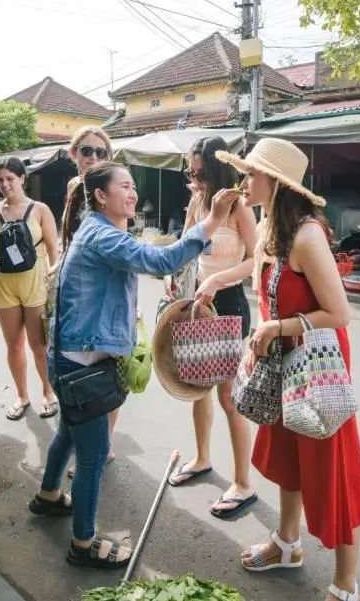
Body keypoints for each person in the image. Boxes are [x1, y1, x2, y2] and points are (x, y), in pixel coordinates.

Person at [28, 161, 238, 569]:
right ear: (101, 196)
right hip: (82, 365)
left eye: (133, 186)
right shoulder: (102, 235)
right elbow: (160, 262)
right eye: (124, 186)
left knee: (68, 434)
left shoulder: (95, 229)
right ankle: (84, 545)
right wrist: (211, 221)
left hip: (70, 359)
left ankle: (49, 495)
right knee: (92, 457)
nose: (133, 193)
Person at [216, 139, 360, 601]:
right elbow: (265, 295)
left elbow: (339, 313)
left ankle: (346, 584)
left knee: (332, 472)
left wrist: (276, 328)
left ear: (277, 183)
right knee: (287, 459)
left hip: (317, 372)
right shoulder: (270, 230)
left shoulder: (307, 236)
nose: (245, 183)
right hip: (282, 365)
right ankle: (288, 544)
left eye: (252, 175)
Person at [164, 136, 258, 519]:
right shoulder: (197, 202)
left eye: (200, 172)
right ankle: (202, 458)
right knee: (197, 388)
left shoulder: (239, 207)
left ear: (217, 171)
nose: (194, 178)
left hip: (228, 303)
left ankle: (243, 482)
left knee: (227, 396)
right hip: (197, 303)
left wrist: (218, 281)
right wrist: (175, 271)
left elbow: (257, 260)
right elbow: (187, 243)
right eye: (190, 171)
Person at [0, 157, 60, 420]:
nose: (5, 184)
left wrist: (58, 287)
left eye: (10, 178)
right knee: (14, 345)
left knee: (39, 346)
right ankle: (22, 395)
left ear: (23, 178)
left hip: (36, 283)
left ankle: (48, 393)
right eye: (0, 179)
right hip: (2, 284)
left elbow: (55, 252)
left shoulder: (40, 210)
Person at [58, 126, 122, 475]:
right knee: (76, 363)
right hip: (75, 289)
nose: (94, 158)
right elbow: (68, 238)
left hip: (105, 289)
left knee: (107, 365)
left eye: (101, 152)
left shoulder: (113, 188)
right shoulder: (72, 189)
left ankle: (103, 443)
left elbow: (123, 246)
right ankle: (85, 438)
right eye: (87, 151)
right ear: (74, 153)